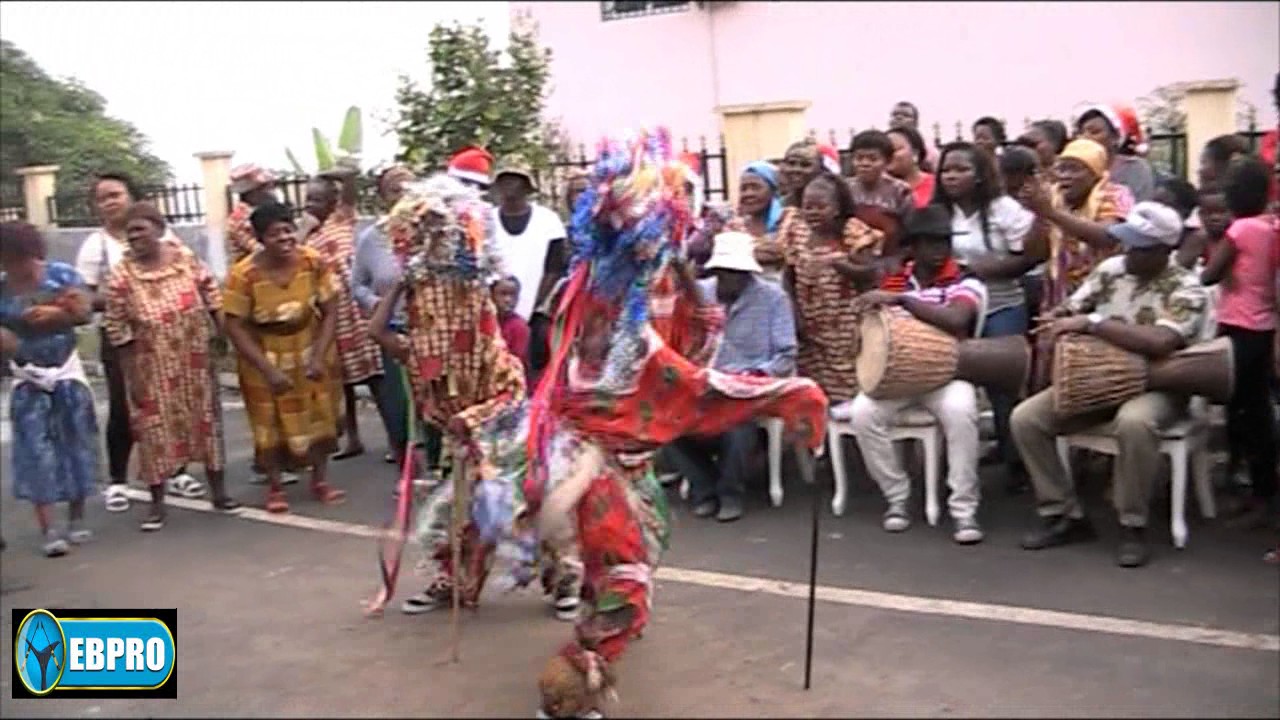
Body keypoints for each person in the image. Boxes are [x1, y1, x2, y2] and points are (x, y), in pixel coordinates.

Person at [1013, 201, 1208, 568]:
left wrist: (1094, 324)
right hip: (1095, 379)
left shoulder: (1186, 287)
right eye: (1127, 242)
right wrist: (1057, 319)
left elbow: (1160, 343)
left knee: (1135, 422)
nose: (1128, 251)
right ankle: (1063, 514)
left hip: (1158, 385)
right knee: (1026, 418)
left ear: (1165, 250)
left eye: (1139, 247)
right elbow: (1074, 307)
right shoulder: (1110, 270)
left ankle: (1132, 524)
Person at [843, 206, 990, 544]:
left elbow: (957, 320)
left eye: (944, 242)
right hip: (899, 375)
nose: (940, 250)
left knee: (961, 412)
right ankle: (897, 497)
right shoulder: (894, 278)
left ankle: (964, 510)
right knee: (862, 413)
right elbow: (877, 332)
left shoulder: (965, 278)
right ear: (913, 246)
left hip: (949, 372)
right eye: (931, 242)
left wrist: (903, 301)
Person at [102, 202, 240, 530]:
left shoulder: (184, 259)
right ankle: (157, 504)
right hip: (151, 367)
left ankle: (219, 493)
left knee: (206, 423)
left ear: (159, 230)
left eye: (140, 229)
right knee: (153, 433)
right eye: (129, 231)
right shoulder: (122, 275)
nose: (134, 237)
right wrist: (131, 376)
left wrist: (224, 338)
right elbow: (117, 328)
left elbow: (212, 296)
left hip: (194, 361)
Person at [74, 173, 197, 513]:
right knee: (125, 406)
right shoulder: (95, 246)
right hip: (122, 337)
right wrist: (126, 297)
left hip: (167, 336)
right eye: (103, 198)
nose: (111, 202)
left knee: (172, 403)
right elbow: (84, 297)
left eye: (116, 194)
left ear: (131, 197)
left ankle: (178, 471)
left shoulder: (164, 236)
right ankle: (118, 481)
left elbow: (184, 273)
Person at [932, 142, 1046, 491]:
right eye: (946, 170)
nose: (951, 176)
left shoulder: (1003, 209)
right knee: (947, 382)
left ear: (981, 174)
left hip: (1001, 303)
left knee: (1003, 385)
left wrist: (986, 270)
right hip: (952, 309)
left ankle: (1017, 463)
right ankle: (951, 467)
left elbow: (1029, 257)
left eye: (961, 169)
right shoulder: (937, 211)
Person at [665, 230, 798, 522]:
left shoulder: (773, 299)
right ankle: (704, 488)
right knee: (665, 423)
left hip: (749, 385)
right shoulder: (700, 293)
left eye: (736, 273)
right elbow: (680, 343)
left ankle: (730, 493)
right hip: (703, 381)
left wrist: (753, 375)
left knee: (738, 428)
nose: (729, 279)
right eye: (724, 272)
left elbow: (786, 354)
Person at [223, 202, 345, 514]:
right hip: (263, 352)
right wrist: (266, 369)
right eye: (275, 233)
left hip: (308, 345)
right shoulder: (243, 274)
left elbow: (331, 308)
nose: (285, 238)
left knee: (319, 413)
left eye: (288, 230)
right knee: (269, 422)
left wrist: (319, 355)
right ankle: (276, 486)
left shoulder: (312, 261)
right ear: (260, 238)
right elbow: (234, 325)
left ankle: (320, 480)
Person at [1, 222, 99, 556]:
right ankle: (49, 530)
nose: (14, 266)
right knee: (35, 452)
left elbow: (86, 311)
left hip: (67, 372)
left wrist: (58, 314)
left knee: (76, 444)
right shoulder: (1, 289)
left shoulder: (62, 275)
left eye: (19, 258)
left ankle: (76, 518)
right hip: (27, 377)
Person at [1200, 157, 1279, 530]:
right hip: (1263, 328)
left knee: (1245, 411)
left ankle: (1255, 489)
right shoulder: (1270, 226)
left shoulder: (1240, 230)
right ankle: (1258, 488)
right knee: (1258, 406)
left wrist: (1221, 266)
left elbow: (1208, 275)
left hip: (1237, 327)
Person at [1020, 137, 1132, 388]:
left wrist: (1051, 213)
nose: (1065, 176)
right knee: (1049, 366)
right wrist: (1040, 214)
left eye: (1074, 169)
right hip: (1059, 296)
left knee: (1093, 372)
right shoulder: (1053, 199)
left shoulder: (1115, 194)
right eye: (1061, 168)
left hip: (1103, 297)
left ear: (1094, 172)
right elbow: (1032, 252)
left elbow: (1107, 237)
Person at [303, 173, 386, 460]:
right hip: (332, 312)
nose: (311, 205)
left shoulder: (342, 220)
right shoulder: (306, 235)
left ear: (331, 201)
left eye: (318, 199)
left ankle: (394, 436)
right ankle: (353, 437)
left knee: (377, 373)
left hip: (357, 308)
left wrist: (333, 175)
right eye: (308, 199)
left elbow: (350, 185)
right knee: (345, 380)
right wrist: (304, 230)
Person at [782, 171, 884, 405]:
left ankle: (850, 437)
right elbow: (788, 275)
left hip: (846, 320)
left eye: (820, 207)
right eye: (808, 207)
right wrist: (794, 312)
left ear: (837, 208)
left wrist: (842, 265)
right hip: (810, 321)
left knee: (848, 383)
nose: (813, 213)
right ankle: (822, 437)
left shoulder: (853, 232)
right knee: (814, 386)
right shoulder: (796, 232)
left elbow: (870, 273)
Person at [352, 165, 422, 467]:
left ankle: (438, 467)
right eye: (395, 190)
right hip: (392, 330)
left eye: (408, 188)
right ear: (383, 197)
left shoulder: (433, 231)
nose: (403, 195)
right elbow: (357, 284)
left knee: (435, 404)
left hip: (434, 330)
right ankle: (408, 470)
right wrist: (377, 302)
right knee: (399, 405)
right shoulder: (372, 238)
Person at [491, 157, 569, 322]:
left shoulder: (548, 220)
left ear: (527, 186)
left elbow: (554, 268)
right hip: (494, 311)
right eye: (504, 180)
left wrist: (535, 303)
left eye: (515, 180)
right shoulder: (486, 220)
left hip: (536, 310)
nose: (509, 185)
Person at [848, 129, 914, 252]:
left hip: (891, 258)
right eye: (859, 158)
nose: (865, 163)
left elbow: (910, 231)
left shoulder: (900, 191)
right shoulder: (845, 189)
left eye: (873, 159)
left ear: (887, 161)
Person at [1075, 102, 1156, 202]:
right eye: (1081, 133)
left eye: (1095, 132)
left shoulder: (1135, 168)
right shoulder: (1073, 169)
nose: (1085, 138)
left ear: (1115, 137)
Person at [736, 161, 786, 279]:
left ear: (773, 190)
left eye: (755, 187)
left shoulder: (787, 223)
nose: (749, 194)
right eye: (744, 189)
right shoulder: (735, 227)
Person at [224, 164, 279, 266]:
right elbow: (262, 252)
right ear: (252, 192)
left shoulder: (261, 211)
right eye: (266, 187)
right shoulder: (239, 219)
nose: (272, 191)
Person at [1176, 184, 1231, 271]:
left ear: (1233, 212)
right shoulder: (1197, 239)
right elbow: (1179, 270)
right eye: (1208, 212)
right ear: (1200, 215)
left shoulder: (1238, 238)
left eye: (1222, 212)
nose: (1215, 217)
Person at [887, 125, 936, 209]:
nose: (888, 155)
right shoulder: (875, 187)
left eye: (895, 149)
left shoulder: (937, 186)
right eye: (884, 150)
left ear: (915, 153)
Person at [493, 274, 531, 371]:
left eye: (513, 295)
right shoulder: (486, 321)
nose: (508, 300)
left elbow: (516, 363)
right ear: (492, 295)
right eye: (503, 294)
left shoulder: (519, 327)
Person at [889, 100, 939, 172]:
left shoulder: (928, 148)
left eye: (906, 115)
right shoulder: (882, 143)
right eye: (894, 115)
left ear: (916, 123)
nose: (899, 117)